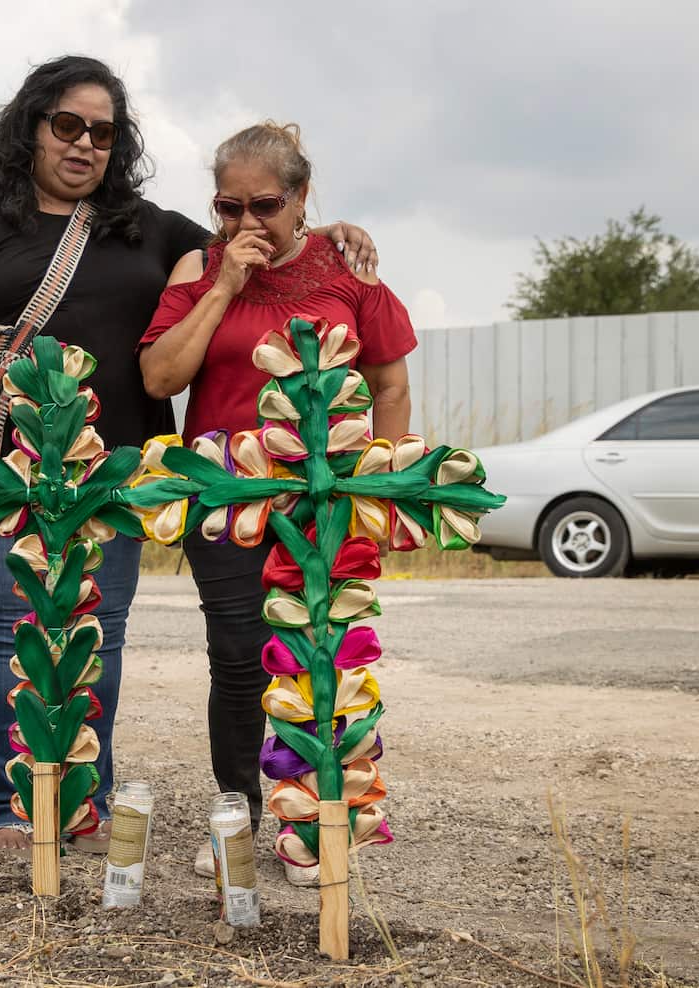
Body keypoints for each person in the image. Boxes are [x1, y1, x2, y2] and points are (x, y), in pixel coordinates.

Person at [0, 56, 379, 856]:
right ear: (33, 127)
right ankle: (2, 808)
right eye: (67, 125)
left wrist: (328, 233)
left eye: (102, 132)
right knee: (2, 636)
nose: (84, 145)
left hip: (114, 473)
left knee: (95, 637)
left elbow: (252, 231)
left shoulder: (150, 227)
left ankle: (82, 802)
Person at [138, 122, 416, 885]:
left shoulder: (349, 270)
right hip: (227, 498)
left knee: (317, 656)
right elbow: (161, 379)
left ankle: (313, 825)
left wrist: (378, 493)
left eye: (265, 204)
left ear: (301, 198)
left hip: (322, 504)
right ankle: (237, 818)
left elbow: (390, 385)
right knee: (236, 663)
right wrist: (224, 284)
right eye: (229, 206)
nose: (246, 224)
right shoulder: (200, 269)